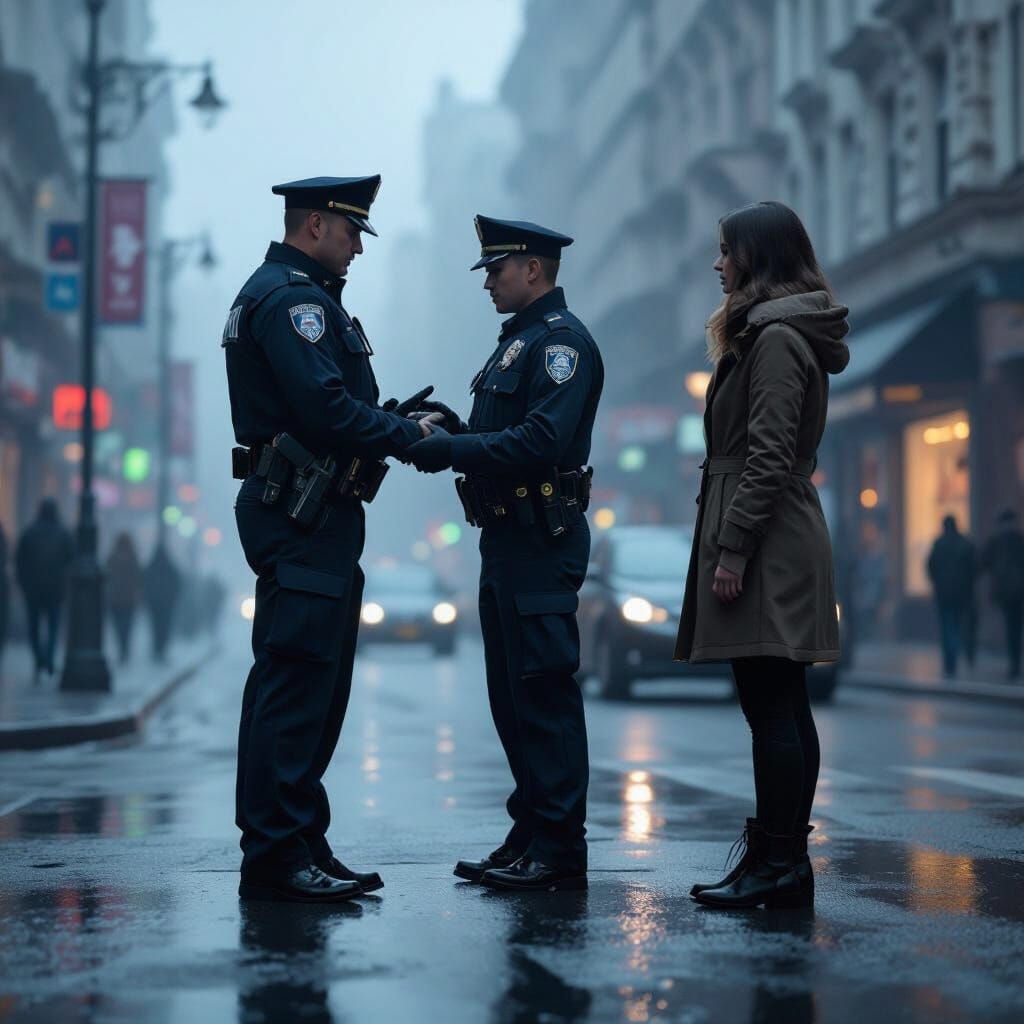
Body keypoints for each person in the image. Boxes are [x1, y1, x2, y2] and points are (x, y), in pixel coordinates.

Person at [224, 175, 431, 904]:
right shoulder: (296, 302)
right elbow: (326, 410)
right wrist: (406, 433)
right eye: (350, 233)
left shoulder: (293, 294)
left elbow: (326, 408)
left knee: (310, 686)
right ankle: (278, 853)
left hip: (310, 510)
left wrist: (394, 419)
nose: (357, 249)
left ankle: (299, 839)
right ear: (315, 225)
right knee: (296, 686)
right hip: (302, 513)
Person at [406, 215, 603, 892]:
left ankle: (559, 847)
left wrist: (452, 450)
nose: (487, 282)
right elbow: (503, 434)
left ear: (533, 270)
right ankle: (530, 833)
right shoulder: (518, 343)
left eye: (496, 270)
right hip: (505, 540)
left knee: (544, 694)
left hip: (541, 540)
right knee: (511, 698)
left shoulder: (560, 345)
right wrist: (450, 427)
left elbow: (541, 441)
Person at [675, 201, 849, 910]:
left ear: (760, 257)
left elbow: (770, 455)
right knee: (781, 703)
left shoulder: (775, 338)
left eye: (727, 250)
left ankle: (779, 862)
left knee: (772, 705)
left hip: (769, 538)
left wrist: (734, 548)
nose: (717, 264)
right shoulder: (769, 334)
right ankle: (781, 859)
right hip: (773, 531)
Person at [15, 498, 75, 677]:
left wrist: (23, 584)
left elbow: (19, 562)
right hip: (55, 590)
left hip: (33, 590)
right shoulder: (63, 534)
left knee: (33, 627)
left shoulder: (29, 533)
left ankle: (39, 657)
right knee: (53, 627)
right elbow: (72, 560)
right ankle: (48, 657)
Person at [926, 516, 976, 678]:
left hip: (943, 593)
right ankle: (956, 654)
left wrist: (937, 582)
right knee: (958, 624)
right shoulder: (965, 543)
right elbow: (973, 568)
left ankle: (950, 663)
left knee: (947, 627)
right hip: (961, 593)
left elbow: (930, 566)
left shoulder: (939, 544)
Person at [979, 508, 1024, 680]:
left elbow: (982, 562)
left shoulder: (996, 541)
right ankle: (1015, 662)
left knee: (1011, 626)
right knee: (1015, 626)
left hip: (1004, 591)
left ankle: (1013, 663)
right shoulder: (1019, 540)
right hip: (1018, 590)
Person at [106, 533, 143, 664]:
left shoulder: (112, 558)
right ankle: (124, 650)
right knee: (126, 627)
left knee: (119, 627)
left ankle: (123, 650)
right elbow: (138, 578)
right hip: (128, 599)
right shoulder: (133, 558)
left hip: (116, 599)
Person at [143, 543, 181, 663]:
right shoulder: (170, 567)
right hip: (165, 604)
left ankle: (157, 650)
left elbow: (144, 583)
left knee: (156, 628)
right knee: (164, 628)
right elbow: (177, 583)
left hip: (155, 604)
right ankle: (160, 651)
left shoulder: (151, 566)